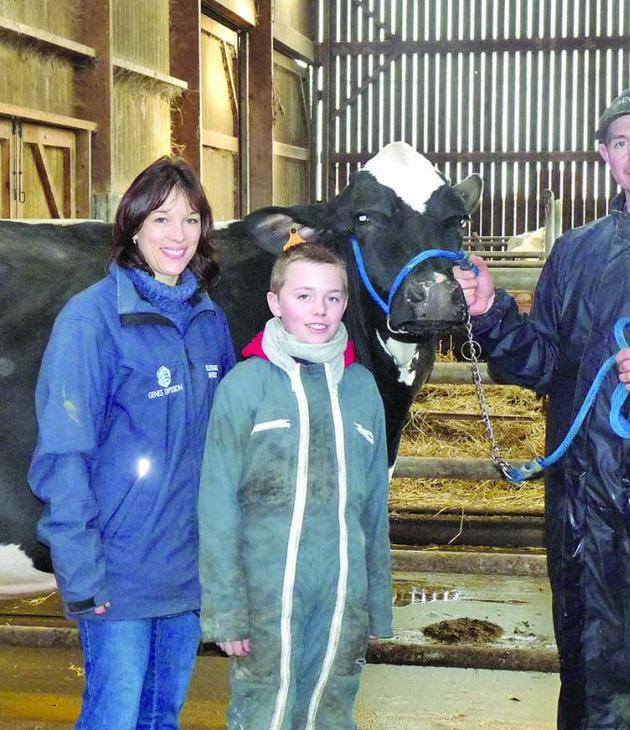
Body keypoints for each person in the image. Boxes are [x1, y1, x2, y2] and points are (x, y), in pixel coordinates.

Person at [454, 87, 630, 729]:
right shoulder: (576, 253)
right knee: (591, 685)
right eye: (620, 142)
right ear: (605, 156)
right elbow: (543, 364)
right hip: (585, 505)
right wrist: (492, 312)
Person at [28, 157, 236, 729]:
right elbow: (64, 454)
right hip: (118, 571)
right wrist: (80, 569)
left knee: (161, 717)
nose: (178, 236)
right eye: (162, 219)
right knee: (114, 718)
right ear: (134, 225)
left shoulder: (207, 319)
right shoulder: (91, 320)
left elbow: (220, 449)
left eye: (191, 220)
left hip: (186, 569)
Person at [198, 241, 393, 729]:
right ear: (274, 302)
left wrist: (376, 605)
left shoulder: (362, 389)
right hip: (267, 598)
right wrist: (225, 612)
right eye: (304, 296)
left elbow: (373, 509)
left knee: (331, 709)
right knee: (266, 709)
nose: (320, 310)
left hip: (342, 595)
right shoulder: (245, 386)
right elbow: (217, 505)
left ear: (346, 303)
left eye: (332, 297)